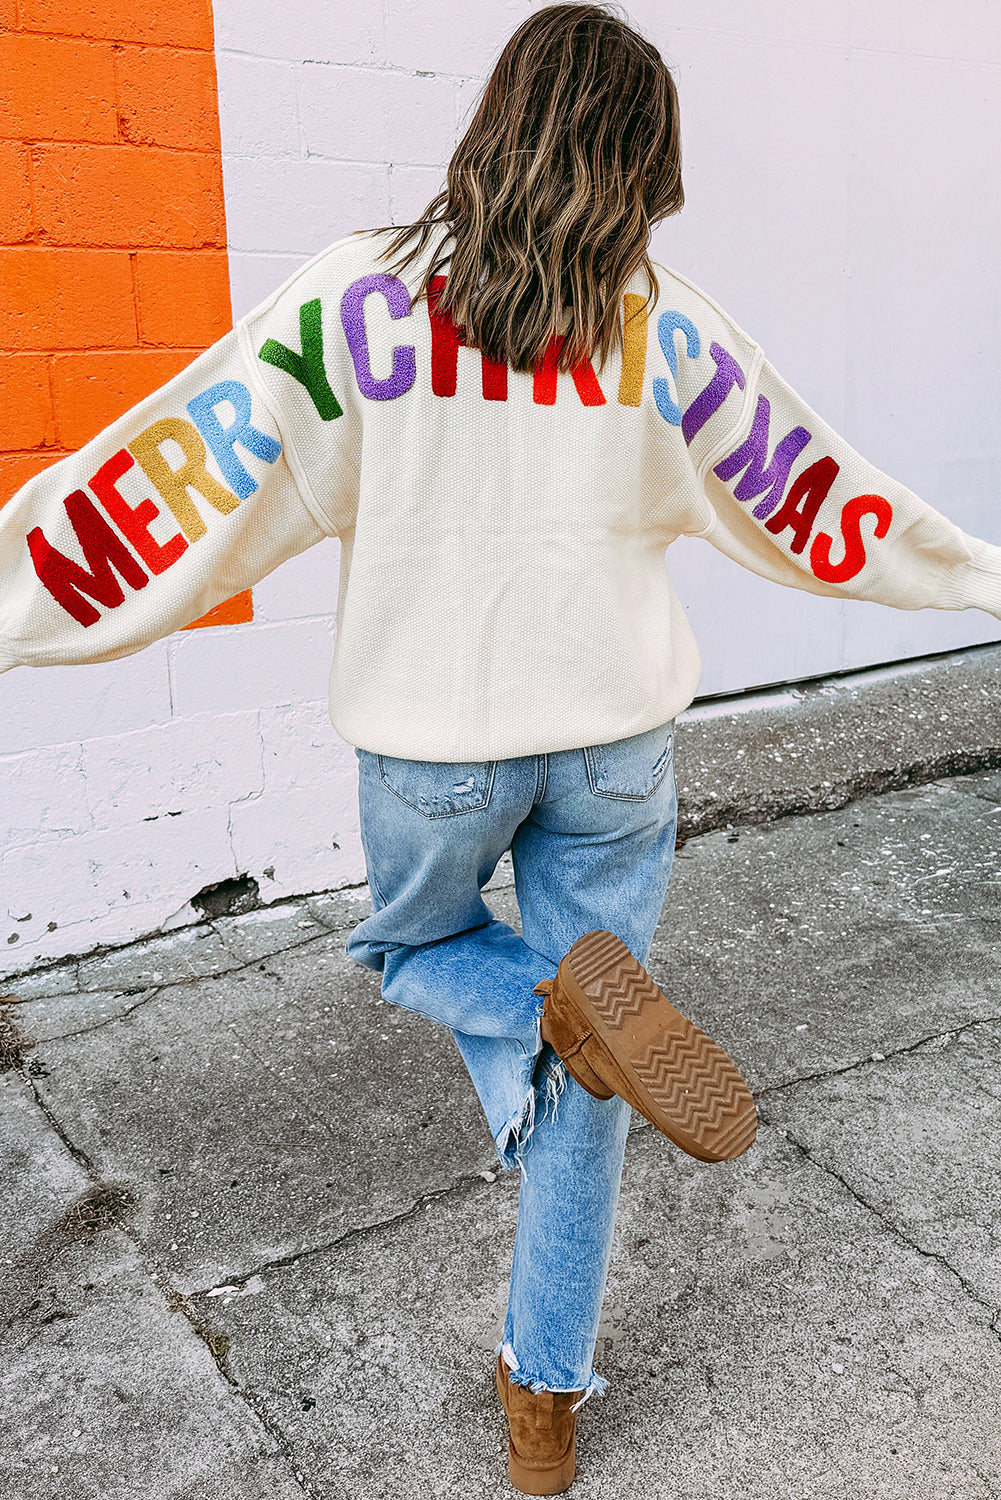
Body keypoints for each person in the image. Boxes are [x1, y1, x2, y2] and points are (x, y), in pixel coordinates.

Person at [1, 2, 999, 1492]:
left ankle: (547, 1012)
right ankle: (545, 1401)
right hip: (615, 754)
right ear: (642, 160)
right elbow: (812, 494)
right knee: (592, 1080)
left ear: (496, 123)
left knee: (413, 950)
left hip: (434, 753)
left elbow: (174, 481)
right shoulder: (663, 328)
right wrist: (977, 578)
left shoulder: (355, 304)